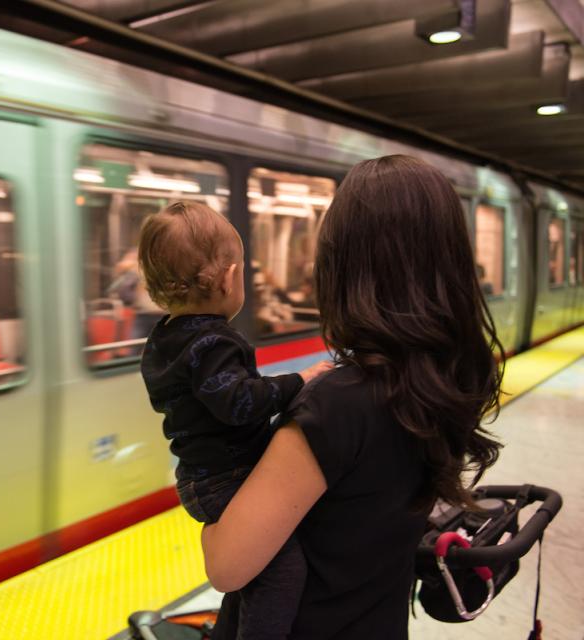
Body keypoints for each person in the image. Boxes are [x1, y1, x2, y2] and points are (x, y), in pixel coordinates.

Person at [200, 155, 504, 639]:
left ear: (344, 265)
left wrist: (209, 507)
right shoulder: (448, 378)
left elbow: (226, 566)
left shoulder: (338, 404)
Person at [137, 201, 330, 640]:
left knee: (255, 570)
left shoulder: (163, 339)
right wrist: (301, 380)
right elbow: (239, 403)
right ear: (229, 278)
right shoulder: (214, 342)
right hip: (227, 478)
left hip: (200, 478)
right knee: (282, 573)